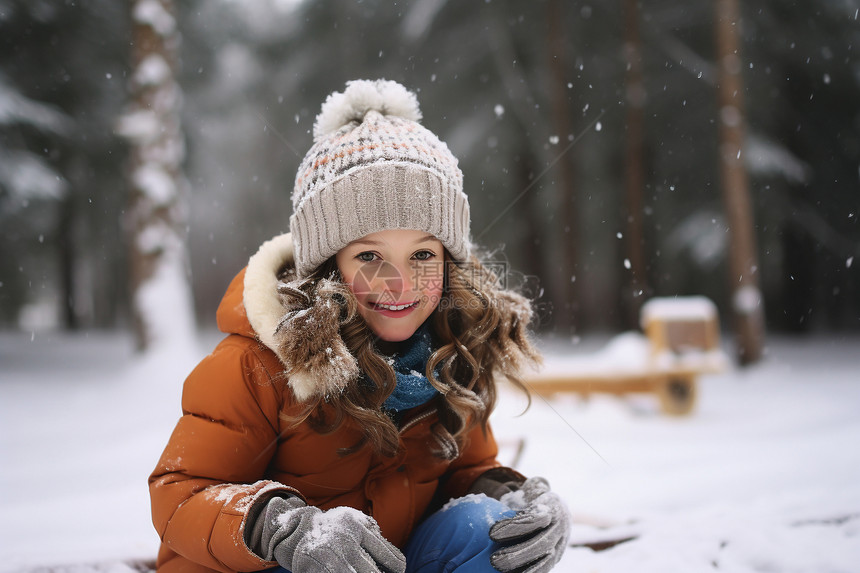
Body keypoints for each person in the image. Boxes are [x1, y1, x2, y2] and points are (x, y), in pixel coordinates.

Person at [149, 79, 570, 573]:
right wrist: (281, 528)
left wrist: (516, 499)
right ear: (328, 266)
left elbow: (464, 470)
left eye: (422, 255)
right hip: (269, 566)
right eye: (369, 255)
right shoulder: (254, 363)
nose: (399, 282)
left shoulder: (450, 349)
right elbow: (180, 492)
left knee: (489, 530)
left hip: (387, 560)